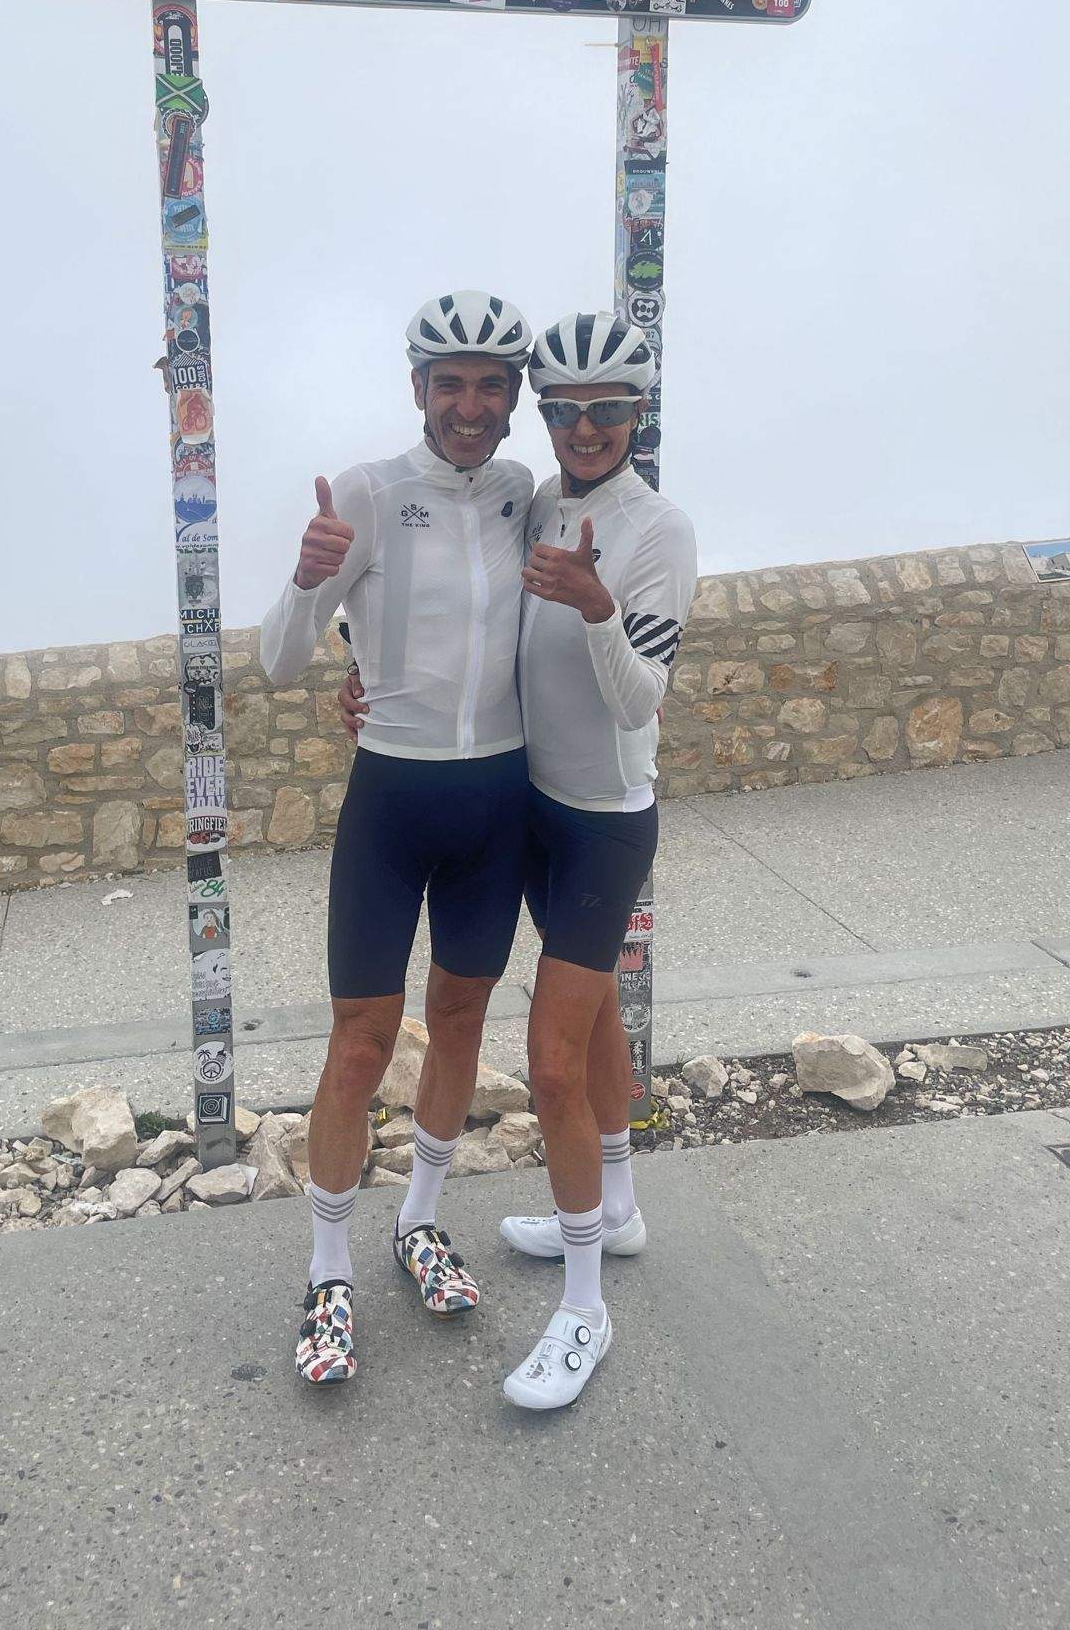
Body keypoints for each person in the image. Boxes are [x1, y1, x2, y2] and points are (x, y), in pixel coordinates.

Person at [342, 310, 694, 1411]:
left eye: (609, 408)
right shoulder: (539, 498)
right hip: (527, 800)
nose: (584, 426)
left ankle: (584, 1305)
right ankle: (619, 1207)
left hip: (601, 819)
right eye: (567, 407)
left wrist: (597, 609)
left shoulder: (656, 528)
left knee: (548, 1063)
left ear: (639, 413)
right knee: (583, 1034)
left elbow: (641, 698)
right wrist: (355, 671)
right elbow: (457, 615)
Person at [259, 290, 535, 1385]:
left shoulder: (527, 495)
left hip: (498, 800)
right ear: (417, 388)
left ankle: (419, 1221)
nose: (469, 405)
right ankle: (328, 1270)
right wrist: (306, 567)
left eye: (490, 384)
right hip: (394, 801)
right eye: (449, 383)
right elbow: (283, 660)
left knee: (461, 1018)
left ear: (514, 395)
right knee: (361, 1042)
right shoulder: (368, 494)